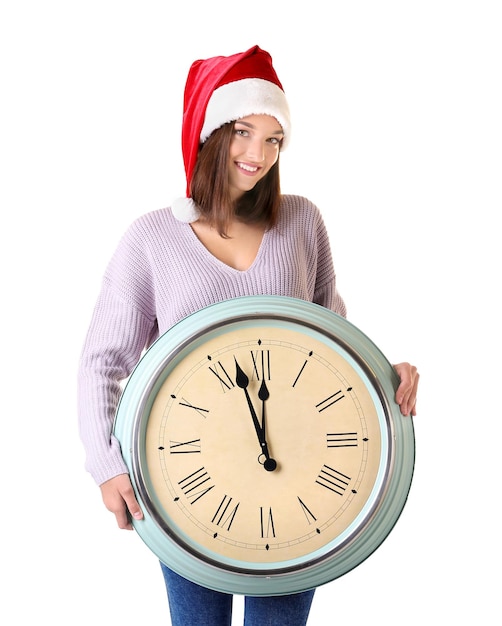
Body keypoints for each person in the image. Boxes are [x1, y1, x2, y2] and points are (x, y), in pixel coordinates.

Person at [78, 45, 419, 626]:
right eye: (242, 132)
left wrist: (388, 375)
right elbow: (103, 359)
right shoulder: (152, 238)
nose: (257, 154)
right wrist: (106, 463)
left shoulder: (302, 220)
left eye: (273, 139)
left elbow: (331, 339)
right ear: (210, 132)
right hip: (185, 477)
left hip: (299, 471)